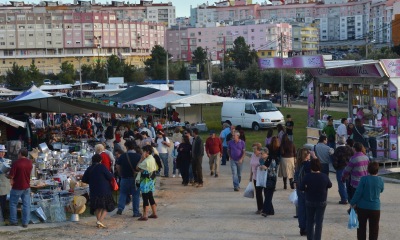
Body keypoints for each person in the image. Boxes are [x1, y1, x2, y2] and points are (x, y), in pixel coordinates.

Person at [299, 158, 332, 240]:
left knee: (310, 221)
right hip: (321, 201)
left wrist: (307, 189)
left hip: (310, 200)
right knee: (319, 222)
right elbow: (330, 185)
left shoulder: (307, 176)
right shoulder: (324, 176)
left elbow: (301, 187)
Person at [350, 161, 384, 240]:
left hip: (362, 207)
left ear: (368, 170)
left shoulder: (363, 179)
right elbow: (381, 190)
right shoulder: (380, 180)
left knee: (361, 228)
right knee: (374, 229)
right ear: (377, 170)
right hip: (375, 207)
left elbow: (358, 192)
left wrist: (352, 202)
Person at [82, 154, 116, 228]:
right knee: (105, 207)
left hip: (93, 190)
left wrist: (91, 181)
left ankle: (98, 222)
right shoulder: (102, 167)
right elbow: (110, 177)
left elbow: (84, 179)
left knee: (97, 207)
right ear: (100, 160)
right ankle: (100, 221)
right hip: (104, 190)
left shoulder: (89, 168)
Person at [115, 140, 142, 217]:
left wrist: (120, 174)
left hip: (125, 177)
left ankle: (120, 208)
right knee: (136, 195)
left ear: (126, 147)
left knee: (123, 193)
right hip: (136, 178)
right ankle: (136, 212)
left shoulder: (123, 156)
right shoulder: (138, 156)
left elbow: (118, 166)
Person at [7, 149, 32, 228]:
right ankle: (25, 222)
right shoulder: (30, 163)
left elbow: (11, 176)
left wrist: (6, 175)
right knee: (26, 205)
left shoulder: (16, 163)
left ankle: (14, 221)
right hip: (27, 186)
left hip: (17, 187)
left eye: (18, 154)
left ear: (20, 154)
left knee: (13, 204)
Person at [136, 145, 159, 221]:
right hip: (151, 180)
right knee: (150, 196)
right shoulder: (152, 158)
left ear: (147, 152)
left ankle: (145, 215)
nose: (142, 153)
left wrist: (141, 159)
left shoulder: (145, 161)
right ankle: (154, 213)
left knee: (145, 197)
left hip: (145, 181)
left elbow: (137, 168)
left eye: (143, 151)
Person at [294, 148, 312, 236]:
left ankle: (302, 227)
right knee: (308, 209)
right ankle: (307, 228)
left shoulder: (298, 164)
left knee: (301, 208)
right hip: (306, 189)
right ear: (307, 155)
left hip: (299, 188)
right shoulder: (308, 165)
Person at [332, 136, 354, 204]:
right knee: (349, 183)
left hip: (340, 168)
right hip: (349, 168)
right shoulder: (350, 149)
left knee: (341, 184)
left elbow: (334, 161)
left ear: (338, 142)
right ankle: (349, 198)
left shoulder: (337, 150)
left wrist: (336, 167)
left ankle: (344, 199)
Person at [260, 147, 277, 217]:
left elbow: (272, 169)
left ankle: (265, 211)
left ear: (266, 153)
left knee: (268, 196)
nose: (261, 155)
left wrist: (264, 167)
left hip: (271, 179)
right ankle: (271, 210)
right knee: (267, 194)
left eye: (262, 153)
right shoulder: (263, 160)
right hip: (265, 179)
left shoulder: (271, 159)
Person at [249, 143, 263, 214]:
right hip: (255, 177)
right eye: (253, 149)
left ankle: (263, 208)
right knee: (258, 193)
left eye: (255, 149)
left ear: (258, 149)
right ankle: (259, 208)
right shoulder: (253, 155)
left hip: (261, 177)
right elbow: (251, 166)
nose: (253, 150)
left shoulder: (261, 156)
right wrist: (250, 176)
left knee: (260, 192)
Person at [0, 145, 11, 223]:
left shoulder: (7, 160)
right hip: (1, 184)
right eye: (1, 152)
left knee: (4, 202)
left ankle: (3, 217)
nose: (2, 153)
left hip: (6, 184)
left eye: (3, 152)